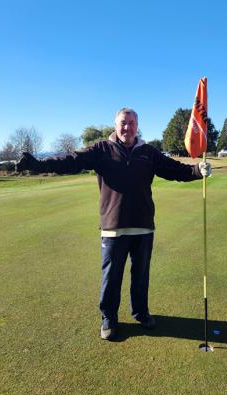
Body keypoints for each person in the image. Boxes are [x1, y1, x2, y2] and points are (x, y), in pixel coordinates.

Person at [16, 108, 212, 340]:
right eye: (123, 123)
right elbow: (71, 161)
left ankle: (141, 313)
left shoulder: (148, 152)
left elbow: (173, 169)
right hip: (112, 226)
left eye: (131, 123)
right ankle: (109, 318)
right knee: (111, 277)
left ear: (137, 126)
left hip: (143, 225)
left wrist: (196, 170)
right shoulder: (101, 150)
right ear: (115, 125)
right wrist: (38, 165)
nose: (126, 127)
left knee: (141, 275)